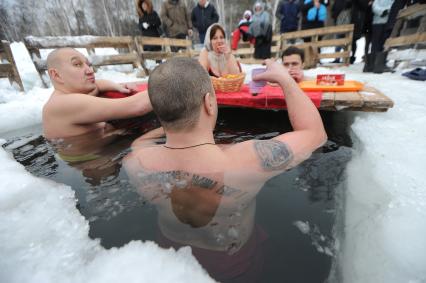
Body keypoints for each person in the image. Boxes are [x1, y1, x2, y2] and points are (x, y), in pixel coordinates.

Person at [124, 56, 326, 282]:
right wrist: (284, 79)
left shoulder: (135, 160)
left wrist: (169, 123)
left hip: (170, 261)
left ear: (159, 111)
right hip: (233, 263)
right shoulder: (248, 161)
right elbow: (315, 133)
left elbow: (140, 143)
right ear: (209, 102)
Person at [42, 47, 152, 140]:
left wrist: (117, 87)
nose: (90, 70)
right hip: (98, 163)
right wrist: (165, 83)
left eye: (88, 64)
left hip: (100, 149)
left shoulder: (68, 96)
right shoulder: (63, 104)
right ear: (56, 75)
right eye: (77, 64)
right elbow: (138, 106)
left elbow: (97, 85)